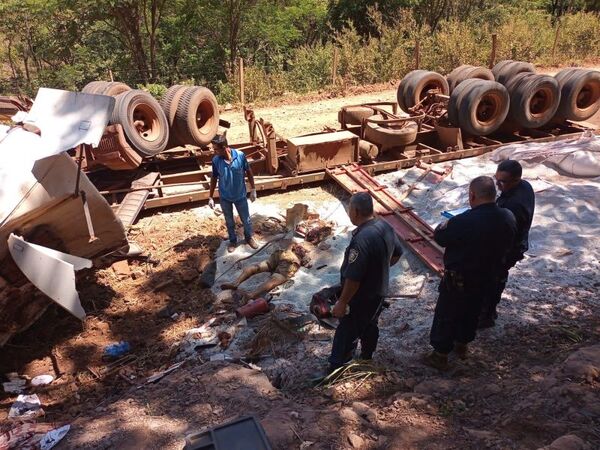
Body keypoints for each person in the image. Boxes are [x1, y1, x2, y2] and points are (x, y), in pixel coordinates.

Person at [425, 176, 517, 370]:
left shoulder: (463, 221)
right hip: (488, 276)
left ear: (472, 196)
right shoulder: (508, 216)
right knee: (472, 311)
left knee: (447, 313)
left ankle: (440, 354)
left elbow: (440, 237)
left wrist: (444, 226)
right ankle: (462, 345)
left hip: (459, 278)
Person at [328, 192, 403, 372]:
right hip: (378, 291)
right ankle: (367, 357)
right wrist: (379, 271)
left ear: (355, 211)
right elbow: (397, 253)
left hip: (360, 296)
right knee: (370, 324)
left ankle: (336, 368)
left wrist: (342, 302)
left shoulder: (362, 240)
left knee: (346, 330)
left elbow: (354, 278)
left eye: (349, 209)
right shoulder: (385, 227)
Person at [478, 160, 535, 328]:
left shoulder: (514, 206)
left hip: (506, 250)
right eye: (497, 179)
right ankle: (487, 311)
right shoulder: (523, 186)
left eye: (502, 182)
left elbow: (501, 235)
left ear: (516, 180)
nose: (497, 185)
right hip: (510, 244)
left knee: (493, 281)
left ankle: (486, 316)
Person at [209, 134, 259, 253]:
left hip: (240, 196)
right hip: (225, 198)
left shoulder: (240, 156)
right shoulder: (216, 161)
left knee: (246, 220)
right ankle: (233, 241)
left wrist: (253, 189)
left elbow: (249, 171)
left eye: (216, 149)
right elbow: (214, 178)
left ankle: (248, 237)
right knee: (229, 221)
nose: (214, 151)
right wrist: (210, 197)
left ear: (224, 147)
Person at [221, 241, 311, 301]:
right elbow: (306, 262)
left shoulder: (298, 243)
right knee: (273, 280)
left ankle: (235, 283)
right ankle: (252, 294)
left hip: (280, 253)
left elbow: (291, 244)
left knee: (257, 267)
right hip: (290, 260)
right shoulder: (309, 247)